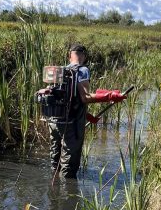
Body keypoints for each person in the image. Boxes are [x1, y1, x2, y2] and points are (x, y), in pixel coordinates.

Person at [46, 44, 127, 179]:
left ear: (69, 56)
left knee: (55, 160)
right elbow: (84, 97)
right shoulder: (83, 70)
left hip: (53, 122)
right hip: (70, 124)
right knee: (69, 165)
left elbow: (64, 100)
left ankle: (52, 193)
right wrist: (110, 96)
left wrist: (87, 116)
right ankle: (67, 196)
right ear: (84, 56)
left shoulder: (59, 70)